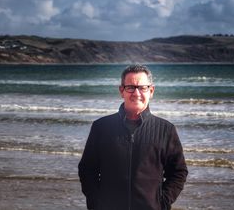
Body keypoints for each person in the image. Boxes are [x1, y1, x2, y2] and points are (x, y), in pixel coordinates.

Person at [78, 64, 188, 210]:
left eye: (142, 87)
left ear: (151, 91)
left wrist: (161, 202)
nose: (136, 93)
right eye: (130, 87)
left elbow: (178, 172)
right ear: (121, 91)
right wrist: (96, 202)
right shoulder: (101, 127)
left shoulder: (166, 129)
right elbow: (87, 169)